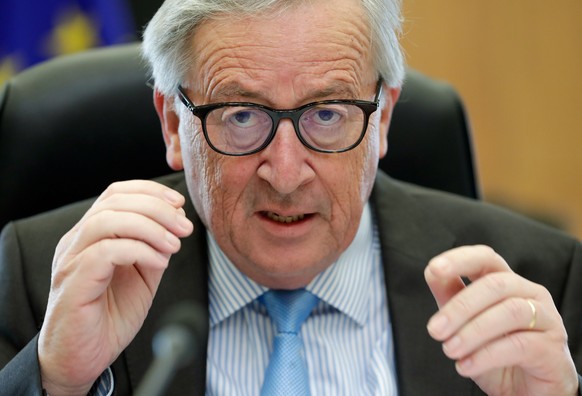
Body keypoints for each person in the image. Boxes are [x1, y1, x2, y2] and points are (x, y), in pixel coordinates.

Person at [0, 0, 581, 394]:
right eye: (242, 116)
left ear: (382, 120)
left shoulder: (541, 285)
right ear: (174, 126)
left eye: (328, 114)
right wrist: (56, 382)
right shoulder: (41, 277)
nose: (284, 173)